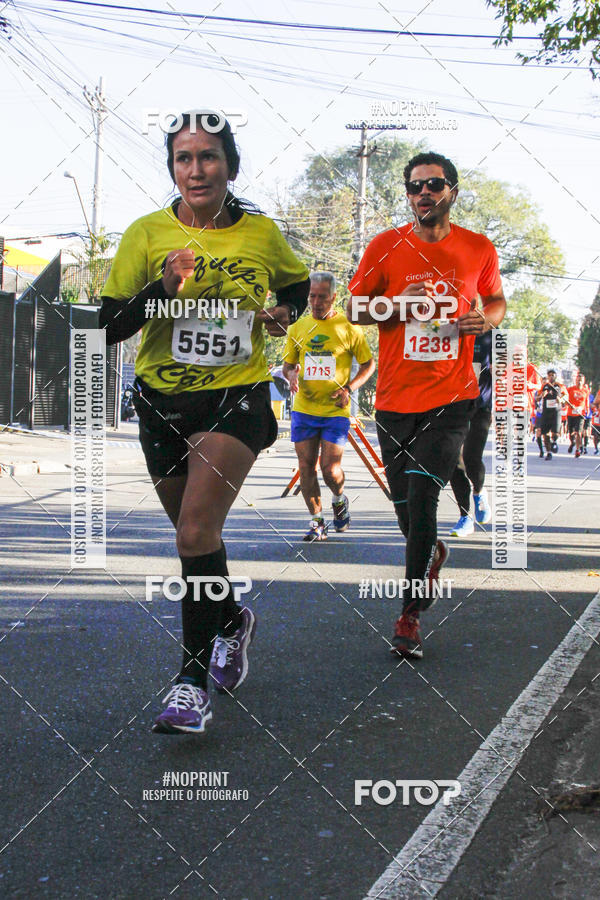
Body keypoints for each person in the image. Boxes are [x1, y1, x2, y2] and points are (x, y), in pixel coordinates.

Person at [99, 112, 310, 734]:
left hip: (236, 395)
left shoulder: (262, 234)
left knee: (192, 534)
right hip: (162, 402)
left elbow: (296, 288)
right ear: (173, 168)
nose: (196, 169)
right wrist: (163, 288)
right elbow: (108, 326)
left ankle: (190, 684)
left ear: (230, 166)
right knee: (201, 541)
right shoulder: (146, 233)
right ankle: (231, 620)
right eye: (184, 158)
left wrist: (281, 313)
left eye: (208, 157)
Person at [348, 151, 506, 659]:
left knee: (422, 501)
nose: (424, 194)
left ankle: (409, 616)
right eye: (415, 187)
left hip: (452, 397)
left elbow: (497, 299)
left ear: (452, 192)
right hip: (394, 401)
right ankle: (432, 551)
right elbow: (354, 305)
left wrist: (488, 319)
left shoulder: (477, 248)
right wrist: (396, 304)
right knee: (406, 515)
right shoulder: (385, 245)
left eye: (434, 185)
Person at [282, 272, 375, 540]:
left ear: (334, 297)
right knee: (306, 466)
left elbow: (369, 365)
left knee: (330, 470)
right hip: (304, 409)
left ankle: (339, 498)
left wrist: (349, 389)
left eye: (322, 296)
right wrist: (291, 376)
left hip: (335, 410)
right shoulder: (298, 328)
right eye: (312, 296)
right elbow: (289, 366)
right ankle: (317, 522)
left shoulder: (349, 327)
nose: (316, 302)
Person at [449, 330, 493, 536]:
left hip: (480, 405)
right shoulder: (447, 328)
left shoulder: (491, 335)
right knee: (452, 460)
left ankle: (479, 491)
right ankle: (465, 517)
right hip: (450, 405)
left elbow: (509, 372)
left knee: (471, 458)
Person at [536, 369, 567, 460]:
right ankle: (548, 453)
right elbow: (537, 398)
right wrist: (542, 395)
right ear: (547, 376)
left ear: (555, 376)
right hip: (546, 412)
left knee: (555, 433)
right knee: (545, 434)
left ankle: (554, 441)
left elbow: (566, 396)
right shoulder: (544, 386)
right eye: (549, 375)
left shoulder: (560, 386)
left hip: (556, 412)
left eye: (553, 375)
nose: (551, 376)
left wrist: (560, 399)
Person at [566, 373, 589, 458]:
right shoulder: (570, 389)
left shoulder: (585, 390)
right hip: (571, 413)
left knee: (579, 432)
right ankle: (572, 442)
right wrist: (570, 405)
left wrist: (587, 409)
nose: (579, 381)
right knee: (571, 432)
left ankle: (577, 450)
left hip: (580, 414)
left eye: (581, 380)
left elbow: (586, 401)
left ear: (583, 381)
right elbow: (565, 400)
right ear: (575, 380)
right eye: (578, 380)